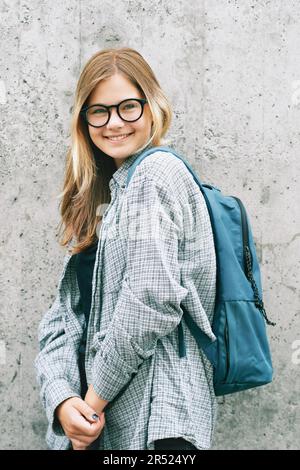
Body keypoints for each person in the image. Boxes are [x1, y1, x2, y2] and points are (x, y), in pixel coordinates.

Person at [34, 47, 217, 451]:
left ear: (152, 107)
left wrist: (92, 404)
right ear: (84, 121)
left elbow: (151, 301)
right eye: (99, 111)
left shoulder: (156, 174)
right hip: (102, 426)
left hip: (157, 424)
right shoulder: (105, 196)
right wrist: (63, 399)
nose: (114, 122)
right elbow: (63, 319)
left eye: (128, 107)